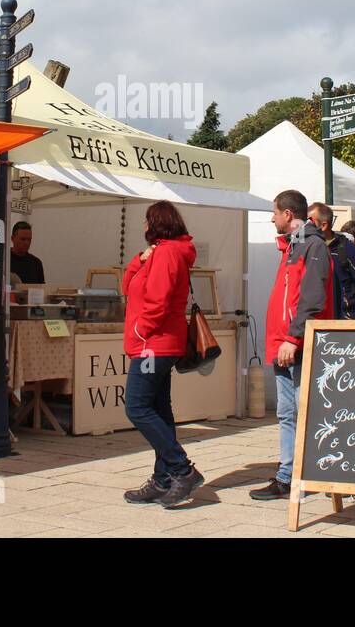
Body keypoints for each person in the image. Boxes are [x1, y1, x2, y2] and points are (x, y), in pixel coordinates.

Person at [121, 201, 205, 507]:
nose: (144, 226)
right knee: (158, 409)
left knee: (137, 407)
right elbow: (127, 287)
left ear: (157, 223)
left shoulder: (168, 253)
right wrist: (138, 260)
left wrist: (142, 329)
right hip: (154, 343)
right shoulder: (160, 252)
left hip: (153, 345)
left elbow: (157, 300)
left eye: (147, 221)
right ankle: (163, 478)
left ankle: (182, 469)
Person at [251, 189, 334, 501]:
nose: (272, 217)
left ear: (288, 214)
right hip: (285, 344)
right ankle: (292, 473)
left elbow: (311, 298)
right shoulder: (294, 247)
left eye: (275, 212)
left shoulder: (311, 246)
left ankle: (298, 475)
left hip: (295, 345)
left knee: (301, 411)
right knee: (290, 412)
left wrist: (292, 338)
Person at [308, 202, 355, 319]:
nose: (306, 226)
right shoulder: (306, 249)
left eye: (310, 222)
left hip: (343, 322)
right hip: (314, 322)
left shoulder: (346, 248)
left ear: (323, 225)